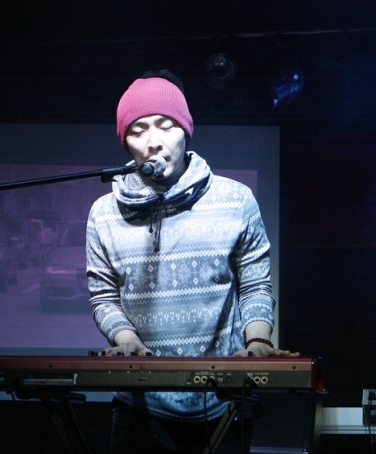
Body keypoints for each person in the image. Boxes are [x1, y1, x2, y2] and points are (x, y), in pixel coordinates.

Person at [86, 69, 296, 453]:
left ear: (185, 130)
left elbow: (255, 285)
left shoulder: (236, 199)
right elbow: (104, 296)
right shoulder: (104, 213)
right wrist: (126, 339)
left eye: (165, 126)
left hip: (224, 401)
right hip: (139, 404)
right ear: (125, 143)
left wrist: (258, 339)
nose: (153, 141)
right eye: (138, 130)